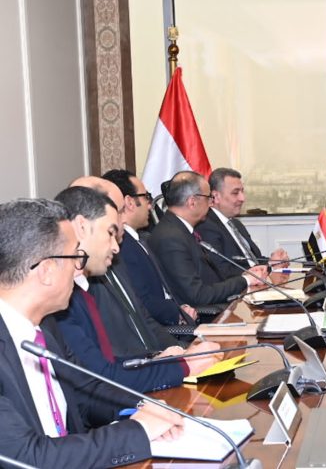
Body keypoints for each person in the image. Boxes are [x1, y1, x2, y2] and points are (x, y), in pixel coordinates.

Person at [0, 198, 183, 468]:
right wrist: (138, 431)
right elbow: (27, 458)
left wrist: (144, 407)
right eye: (76, 257)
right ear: (46, 271)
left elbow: (85, 393)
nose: (79, 269)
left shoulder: (47, 327)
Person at [54, 187, 218, 393]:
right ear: (81, 226)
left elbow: (110, 363)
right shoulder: (62, 299)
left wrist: (171, 357)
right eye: (110, 232)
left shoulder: (90, 282)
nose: (116, 247)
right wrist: (181, 366)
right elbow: (100, 380)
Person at [148, 171, 269, 306]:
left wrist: (247, 274)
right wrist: (246, 280)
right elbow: (198, 295)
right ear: (192, 202)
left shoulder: (181, 230)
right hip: (208, 313)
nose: (211, 203)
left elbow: (214, 278)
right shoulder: (171, 238)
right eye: (208, 198)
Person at [103, 169, 197, 326]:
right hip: (164, 329)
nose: (150, 205)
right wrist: (177, 313)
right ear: (130, 202)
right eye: (146, 197)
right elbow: (142, 302)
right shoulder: (122, 247)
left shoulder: (141, 239)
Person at [196, 167, 289, 278]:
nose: (242, 198)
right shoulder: (206, 226)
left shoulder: (236, 224)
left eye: (242, 191)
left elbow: (253, 261)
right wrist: (269, 267)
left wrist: (273, 262)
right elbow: (222, 271)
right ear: (215, 196)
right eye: (235, 193)